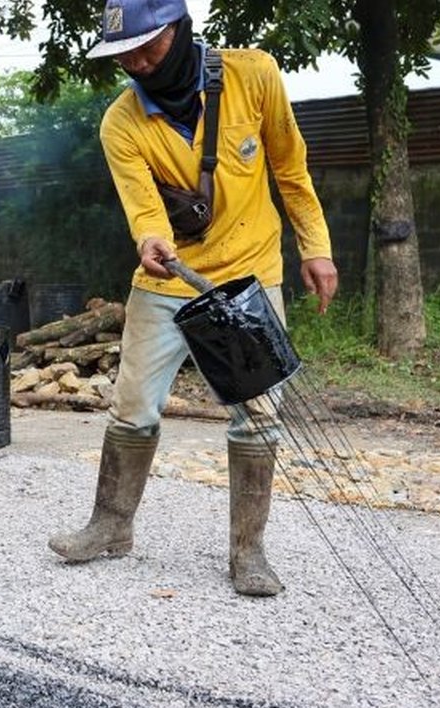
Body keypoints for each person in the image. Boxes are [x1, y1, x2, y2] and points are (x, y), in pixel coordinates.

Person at [47, 0, 338, 596]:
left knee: (257, 416)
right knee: (132, 406)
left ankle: (248, 553)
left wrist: (316, 246)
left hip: (249, 276)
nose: (136, 61)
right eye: (122, 54)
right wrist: (151, 238)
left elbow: (291, 168)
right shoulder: (120, 123)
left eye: (147, 47)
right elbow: (143, 207)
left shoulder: (252, 74)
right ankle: (110, 526)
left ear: (178, 30)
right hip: (165, 280)